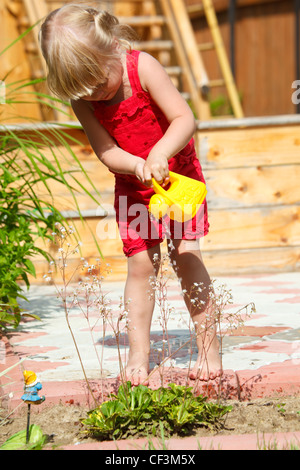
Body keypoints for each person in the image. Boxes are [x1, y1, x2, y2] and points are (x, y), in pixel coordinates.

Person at [39, 3, 222, 386]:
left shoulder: (143, 67)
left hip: (176, 180)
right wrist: (136, 165)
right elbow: (106, 151)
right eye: (82, 88)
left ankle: (208, 346)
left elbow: (184, 118)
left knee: (185, 254)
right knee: (141, 267)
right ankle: (140, 357)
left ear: (112, 47)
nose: (93, 93)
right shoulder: (83, 99)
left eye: (97, 81)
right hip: (134, 187)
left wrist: (158, 154)